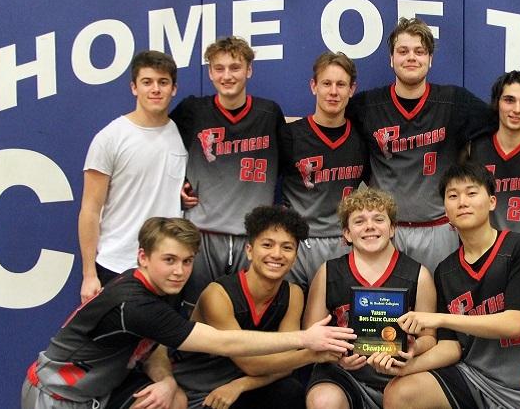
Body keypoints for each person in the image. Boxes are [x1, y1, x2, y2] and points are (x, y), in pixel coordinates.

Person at [22, 217, 355, 409]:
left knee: (171, 400)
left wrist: (166, 381)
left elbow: (151, 350)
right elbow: (224, 343)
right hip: (56, 396)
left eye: (186, 261)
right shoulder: (134, 303)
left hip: (103, 390)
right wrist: (308, 343)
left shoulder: (164, 289)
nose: (179, 271)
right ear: (143, 257)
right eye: (169, 260)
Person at [382, 163, 520, 409]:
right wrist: (402, 368)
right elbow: (451, 347)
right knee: (398, 392)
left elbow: (513, 325)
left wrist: (439, 319)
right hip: (474, 377)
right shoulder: (445, 270)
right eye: (453, 196)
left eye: (472, 193)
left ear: (492, 202)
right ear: (446, 211)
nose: (462, 202)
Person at [346, 17, 496, 272]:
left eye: (420, 51)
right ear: (391, 59)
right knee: (386, 308)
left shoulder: (454, 102)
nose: (411, 58)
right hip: (386, 230)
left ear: (430, 59)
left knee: (438, 304)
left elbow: (508, 121)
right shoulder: (366, 106)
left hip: (439, 228)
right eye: (403, 51)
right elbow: (326, 122)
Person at [171, 206, 339, 409]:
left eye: (287, 247)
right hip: (200, 390)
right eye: (267, 245)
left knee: (290, 391)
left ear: (295, 257)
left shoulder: (293, 294)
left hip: (244, 385)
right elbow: (249, 363)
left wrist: (240, 385)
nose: (277, 254)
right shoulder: (217, 295)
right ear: (249, 251)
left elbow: (286, 363)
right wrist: (311, 354)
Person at [171, 36, 287, 313]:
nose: (227, 75)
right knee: (193, 311)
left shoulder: (268, 113)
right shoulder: (193, 111)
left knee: (246, 313)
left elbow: (289, 165)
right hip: (202, 232)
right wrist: (173, 185)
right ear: (209, 72)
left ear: (249, 70)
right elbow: (158, 146)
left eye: (235, 67)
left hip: (251, 235)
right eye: (219, 68)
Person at [303, 188, 437, 409]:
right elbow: (311, 336)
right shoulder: (329, 272)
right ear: (346, 233)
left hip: (402, 373)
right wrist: (338, 357)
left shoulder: (419, 275)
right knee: (323, 401)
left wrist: (412, 350)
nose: (370, 227)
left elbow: (430, 338)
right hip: (344, 374)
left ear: (392, 228)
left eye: (378, 219)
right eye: (359, 221)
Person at [78, 50, 187, 302]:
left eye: (163, 82)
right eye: (147, 82)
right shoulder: (110, 138)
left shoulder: (182, 133)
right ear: (133, 87)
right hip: (117, 264)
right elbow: (90, 209)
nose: (155, 89)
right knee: (117, 343)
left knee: (159, 343)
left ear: (174, 88)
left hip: (168, 267)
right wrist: (89, 274)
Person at [281, 51, 367, 287]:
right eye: (326, 83)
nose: (333, 91)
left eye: (341, 84)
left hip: (345, 242)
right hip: (299, 241)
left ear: (351, 89)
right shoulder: (289, 135)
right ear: (313, 86)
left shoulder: (363, 137)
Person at [468, 71, 520, 239]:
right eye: (509, 100)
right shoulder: (474, 149)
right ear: (497, 103)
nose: (517, 109)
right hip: (483, 251)